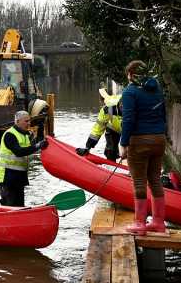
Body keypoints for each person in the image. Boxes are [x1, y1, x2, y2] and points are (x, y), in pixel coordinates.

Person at [119, 60, 168, 235]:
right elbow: (163, 115)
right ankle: (158, 223)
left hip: (139, 141)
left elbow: (129, 120)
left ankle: (140, 224)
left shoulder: (130, 92)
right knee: (155, 180)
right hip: (159, 139)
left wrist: (124, 143)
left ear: (131, 74)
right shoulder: (157, 90)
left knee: (139, 181)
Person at [0, 110, 48, 207]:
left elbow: (30, 149)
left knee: (19, 206)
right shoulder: (10, 135)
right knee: (9, 205)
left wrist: (41, 142)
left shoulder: (26, 135)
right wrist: (37, 146)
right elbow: (19, 152)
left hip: (19, 176)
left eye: (29, 121)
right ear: (17, 121)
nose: (29, 123)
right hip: (6, 177)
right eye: (26, 121)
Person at [75, 89, 122, 161]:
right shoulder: (106, 109)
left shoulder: (133, 104)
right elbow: (97, 130)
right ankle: (111, 164)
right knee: (110, 150)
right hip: (115, 128)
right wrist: (88, 147)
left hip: (132, 130)